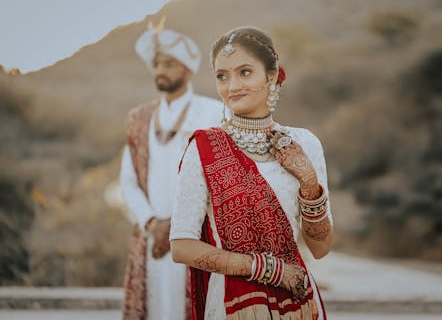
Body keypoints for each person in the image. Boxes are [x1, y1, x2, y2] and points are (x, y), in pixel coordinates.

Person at [170, 27, 334, 320]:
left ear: (271, 75)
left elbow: (320, 248)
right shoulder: (203, 148)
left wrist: (309, 184)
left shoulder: (305, 144)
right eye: (222, 76)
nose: (232, 86)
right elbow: (182, 247)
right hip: (232, 305)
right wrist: (268, 269)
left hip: (298, 299)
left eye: (245, 72)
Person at [120, 20, 223, 320]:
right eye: (156, 64)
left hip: (196, 238)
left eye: (169, 63)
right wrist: (153, 224)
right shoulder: (139, 118)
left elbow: (218, 177)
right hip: (151, 237)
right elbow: (128, 181)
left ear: (188, 70)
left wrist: (178, 225)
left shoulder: (213, 112)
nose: (160, 70)